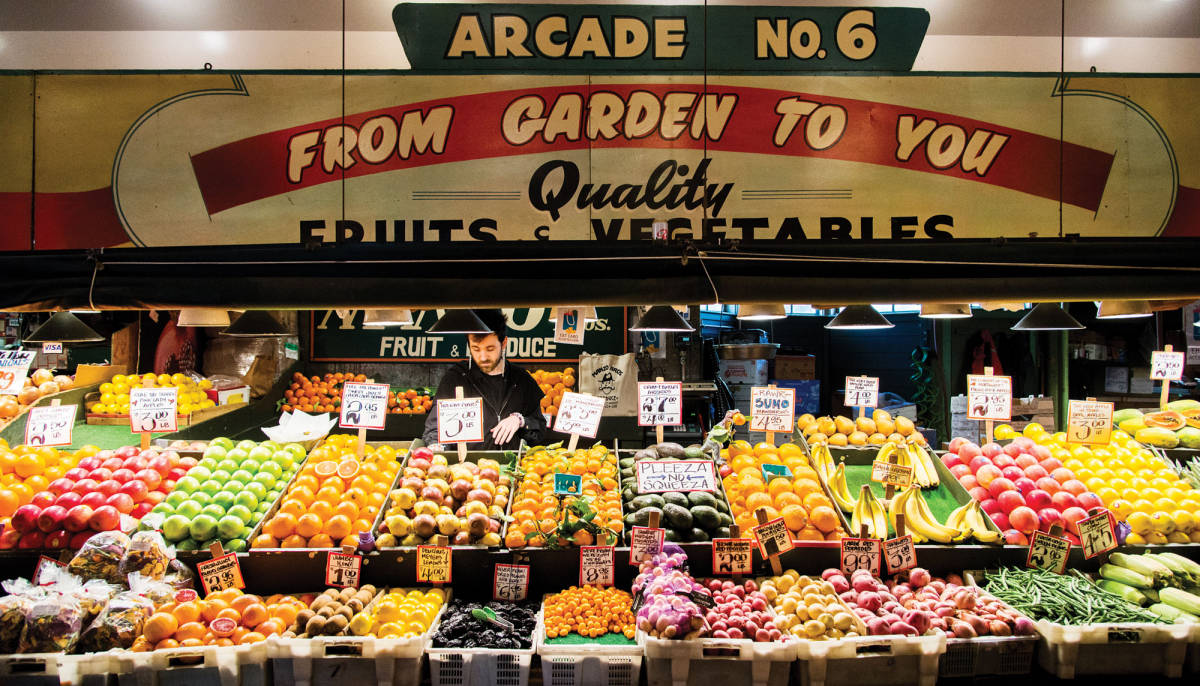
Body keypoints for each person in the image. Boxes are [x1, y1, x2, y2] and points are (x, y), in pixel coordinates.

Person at [422, 309, 546, 450]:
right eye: (476, 349)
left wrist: (520, 420)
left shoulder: (521, 379)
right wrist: (437, 447)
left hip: (512, 469)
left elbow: (539, 430)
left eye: (490, 349)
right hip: (467, 469)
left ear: (504, 343)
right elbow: (434, 428)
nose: (483, 357)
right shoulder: (456, 377)